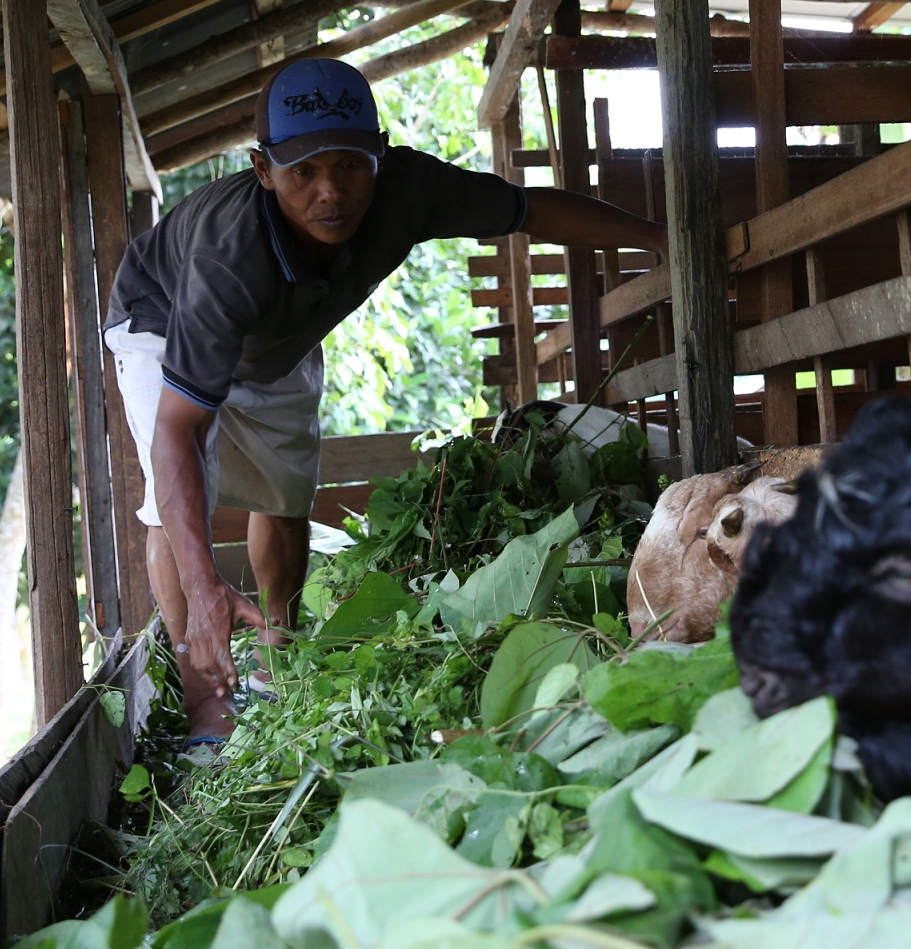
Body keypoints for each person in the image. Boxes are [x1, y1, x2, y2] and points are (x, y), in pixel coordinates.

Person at [102, 57, 666, 744]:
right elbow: (176, 432)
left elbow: (528, 208)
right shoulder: (230, 256)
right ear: (262, 170)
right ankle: (205, 698)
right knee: (175, 505)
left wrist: (660, 240)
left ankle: (277, 659)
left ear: (380, 154)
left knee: (284, 497)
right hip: (162, 322)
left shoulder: (409, 190)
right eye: (303, 173)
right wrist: (206, 583)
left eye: (349, 166)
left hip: (280, 338)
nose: (330, 193)